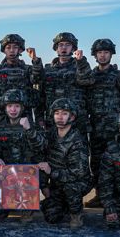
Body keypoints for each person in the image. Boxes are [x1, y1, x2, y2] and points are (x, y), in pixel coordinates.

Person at [85, 39, 120, 207]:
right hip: (97, 127)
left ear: (111, 54)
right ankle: (100, 195)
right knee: (97, 162)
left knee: (118, 162)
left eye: (106, 52)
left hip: (115, 128)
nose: (103, 55)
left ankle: (117, 197)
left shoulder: (119, 74)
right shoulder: (91, 76)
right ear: (95, 55)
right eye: (100, 53)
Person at [0, 89, 46, 222]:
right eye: (9, 106)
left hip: (26, 175)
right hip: (7, 176)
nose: (13, 109)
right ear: (5, 108)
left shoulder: (32, 126)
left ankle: (27, 206)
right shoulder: (0, 128)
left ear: (22, 108)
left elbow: (41, 146)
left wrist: (29, 130)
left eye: (16, 106)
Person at [37, 98, 91, 229]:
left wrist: (52, 172)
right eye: (57, 113)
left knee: (70, 188)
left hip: (78, 182)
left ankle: (76, 214)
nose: (60, 117)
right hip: (58, 182)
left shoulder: (78, 140)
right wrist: (45, 187)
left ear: (72, 117)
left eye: (64, 113)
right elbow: (40, 157)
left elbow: (78, 173)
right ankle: (66, 205)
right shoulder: (50, 135)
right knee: (51, 217)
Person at [28, 32, 94, 136]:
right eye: (60, 45)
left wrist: (81, 62)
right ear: (56, 48)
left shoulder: (81, 67)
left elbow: (88, 81)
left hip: (77, 122)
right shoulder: (48, 70)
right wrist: (39, 119)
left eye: (67, 45)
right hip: (52, 122)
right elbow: (40, 97)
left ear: (73, 49)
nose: (64, 48)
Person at [0, 34, 36, 125]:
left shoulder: (28, 70)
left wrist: (35, 61)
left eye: (15, 47)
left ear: (20, 50)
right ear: (4, 50)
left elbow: (38, 79)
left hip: (25, 118)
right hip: (1, 119)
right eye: (8, 47)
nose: (12, 50)